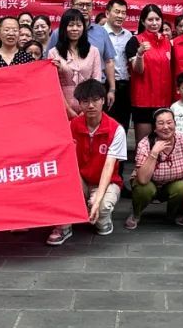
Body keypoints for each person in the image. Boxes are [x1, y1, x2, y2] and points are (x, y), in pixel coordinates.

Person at [46, 80, 128, 246]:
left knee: (102, 207)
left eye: (95, 100)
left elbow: (109, 167)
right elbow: (66, 162)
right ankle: (64, 226)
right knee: (61, 186)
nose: (91, 105)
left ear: (103, 100)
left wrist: (97, 200)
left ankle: (102, 218)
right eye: (85, 101)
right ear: (79, 103)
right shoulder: (71, 126)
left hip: (106, 181)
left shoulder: (116, 130)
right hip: (80, 179)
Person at [126, 108, 183, 230]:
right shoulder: (144, 144)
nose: (166, 127)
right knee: (143, 188)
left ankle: (174, 214)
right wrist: (154, 153)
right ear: (154, 128)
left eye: (169, 122)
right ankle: (136, 214)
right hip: (149, 184)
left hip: (171, 184)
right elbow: (143, 179)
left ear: (175, 124)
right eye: (161, 123)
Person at [47, 0, 116, 104]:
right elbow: (49, 66)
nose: (84, 8)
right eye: (80, 5)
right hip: (63, 98)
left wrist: (112, 89)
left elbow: (109, 61)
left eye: (88, 5)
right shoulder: (57, 34)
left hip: (94, 93)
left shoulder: (101, 32)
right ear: (72, 5)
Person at [125, 4, 173, 145]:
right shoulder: (135, 41)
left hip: (164, 101)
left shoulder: (167, 42)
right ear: (143, 21)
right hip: (143, 101)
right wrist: (140, 54)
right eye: (150, 20)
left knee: (164, 144)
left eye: (157, 19)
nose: (154, 23)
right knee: (144, 145)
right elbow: (137, 70)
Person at [48, 8, 103, 119]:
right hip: (62, 107)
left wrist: (86, 109)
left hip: (89, 107)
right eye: (71, 25)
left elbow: (96, 81)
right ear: (64, 28)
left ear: (83, 28)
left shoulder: (93, 51)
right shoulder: (53, 53)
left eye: (78, 25)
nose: (75, 29)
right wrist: (68, 110)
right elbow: (53, 86)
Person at [101, 0, 133, 131]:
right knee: (107, 125)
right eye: (117, 12)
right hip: (105, 85)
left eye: (123, 13)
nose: (120, 16)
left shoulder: (129, 35)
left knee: (123, 125)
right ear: (107, 13)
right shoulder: (99, 33)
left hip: (125, 85)